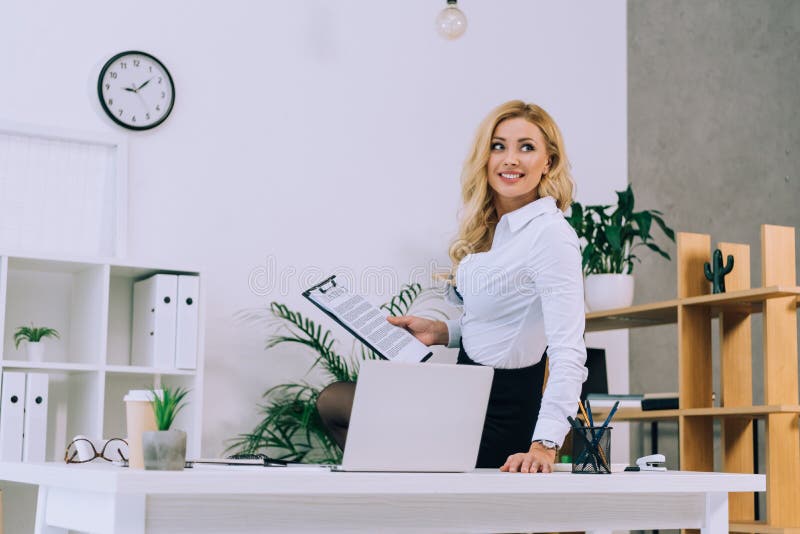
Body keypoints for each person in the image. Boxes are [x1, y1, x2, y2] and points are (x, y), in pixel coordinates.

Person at [316, 100, 588, 474]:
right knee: (336, 402)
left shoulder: (551, 236)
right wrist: (443, 332)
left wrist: (544, 446)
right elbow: (506, 320)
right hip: (465, 396)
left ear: (549, 162)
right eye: (498, 146)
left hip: (502, 415)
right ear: (485, 157)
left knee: (345, 409)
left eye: (527, 147)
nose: (510, 158)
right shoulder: (495, 232)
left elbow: (568, 350)